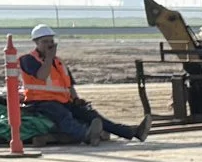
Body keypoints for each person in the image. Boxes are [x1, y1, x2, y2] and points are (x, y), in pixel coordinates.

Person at [17, 26, 146, 142]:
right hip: (40, 102)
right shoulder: (28, 60)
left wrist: (76, 99)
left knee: (91, 115)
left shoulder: (59, 62)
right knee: (64, 116)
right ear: (36, 43)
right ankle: (86, 135)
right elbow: (41, 76)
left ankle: (132, 132)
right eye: (45, 42)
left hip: (63, 101)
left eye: (51, 41)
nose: (49, 45)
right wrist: (49, 58)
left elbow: (69, 85)